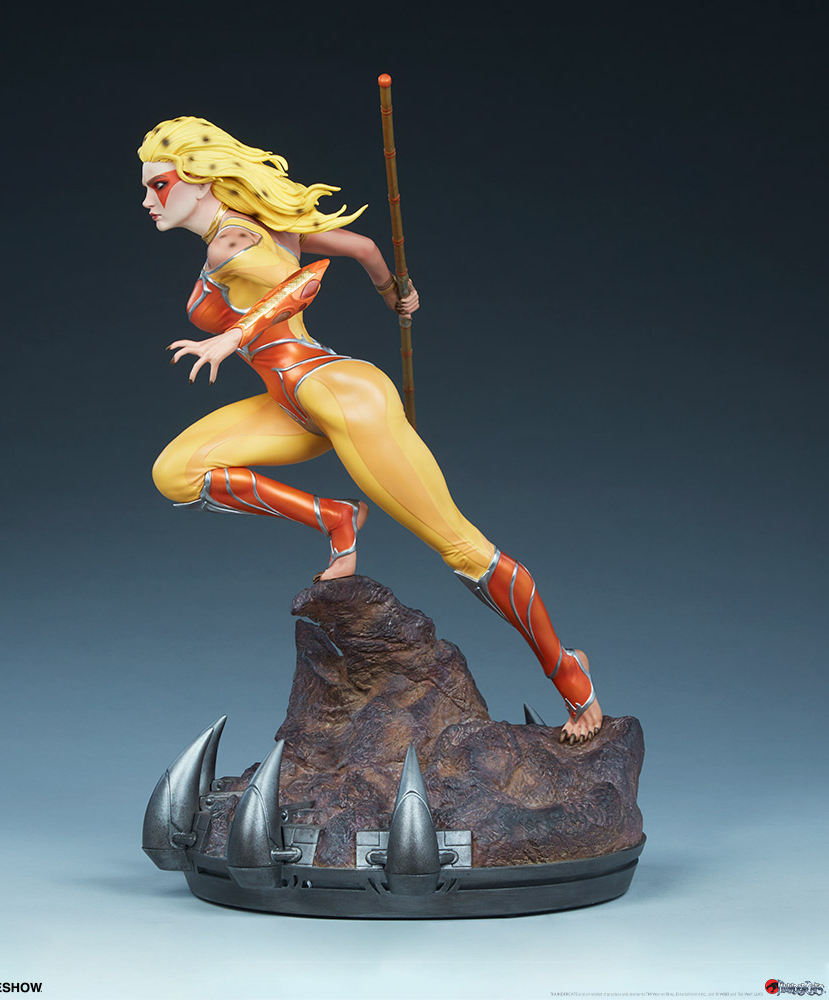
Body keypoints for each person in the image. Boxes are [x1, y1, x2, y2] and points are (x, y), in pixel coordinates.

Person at [138, 116, 602, 744]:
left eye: (160, 185)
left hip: (341, 397)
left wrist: (231, 337)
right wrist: (394, 291)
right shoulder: (258, 226)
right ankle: (334, 519)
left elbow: (301, 283)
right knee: (175, 473)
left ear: (199, 181)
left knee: (462, 548)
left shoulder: (235, 242)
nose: (148, 199)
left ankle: (571, 674)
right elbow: (360, 248)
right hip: (289, 403)